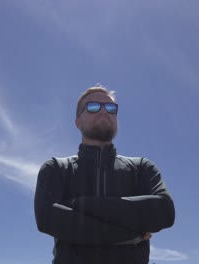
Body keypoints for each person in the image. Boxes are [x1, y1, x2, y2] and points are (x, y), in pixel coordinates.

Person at [34, 86, 175, 264]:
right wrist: (133, 234)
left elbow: (165, 212)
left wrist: (75, 204)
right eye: (93, 107)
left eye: (110, 108)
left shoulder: (141, 168)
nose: (103, 111)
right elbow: (47, 219)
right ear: (78, 121)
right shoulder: (56, 169)